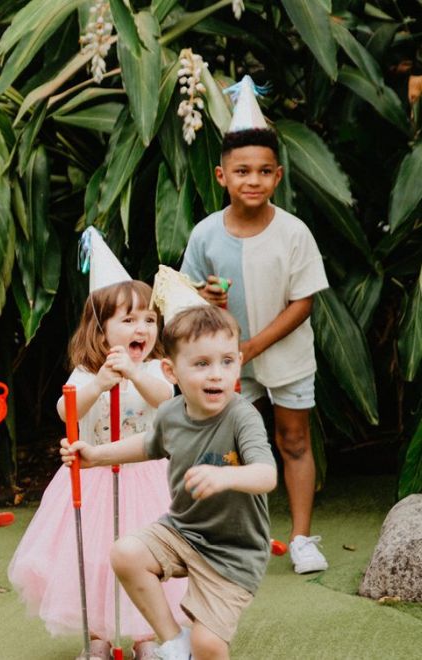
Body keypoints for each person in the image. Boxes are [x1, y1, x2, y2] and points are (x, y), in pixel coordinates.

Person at [63, 305, 277, 660]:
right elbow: (150, 445)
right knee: (126, 553)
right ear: (171, 371)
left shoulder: (243, 416)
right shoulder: (171, 413)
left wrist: (226, 476)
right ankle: (174, 642)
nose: (216, 375)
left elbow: (266, 475)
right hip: (182, 531)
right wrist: (96, 456)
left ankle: (193, 647)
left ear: (239, 363)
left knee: (208, 646)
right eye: (201, 364)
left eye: (226, 362)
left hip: (233, 552)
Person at [180, 76, 329, 575]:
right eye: (241, 170)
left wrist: (252, 345)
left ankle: (303, 537)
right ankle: (234, 538)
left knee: (293, 441)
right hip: (227, 363)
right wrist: (207, 298)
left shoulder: (294, 232)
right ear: (221, 175)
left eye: (264, 171)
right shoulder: (205, 234)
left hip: (282, 355)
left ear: (279, 176)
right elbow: (185, 298)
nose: (253, 179)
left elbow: (302, 302)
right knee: (228, 447)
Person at [9, 274, 185, 660]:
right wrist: (100, 384)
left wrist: (135, 373)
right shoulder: (88, 372)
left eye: (149, 320)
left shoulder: (156, 370)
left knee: (148, 555)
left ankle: (147, 638)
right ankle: (98, 637)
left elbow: (166, 399)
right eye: (128, 320)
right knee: (91, 558)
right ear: (102, 332)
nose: (142, 328)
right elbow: (64, 409)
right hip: (94, 480)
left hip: (147, 478)